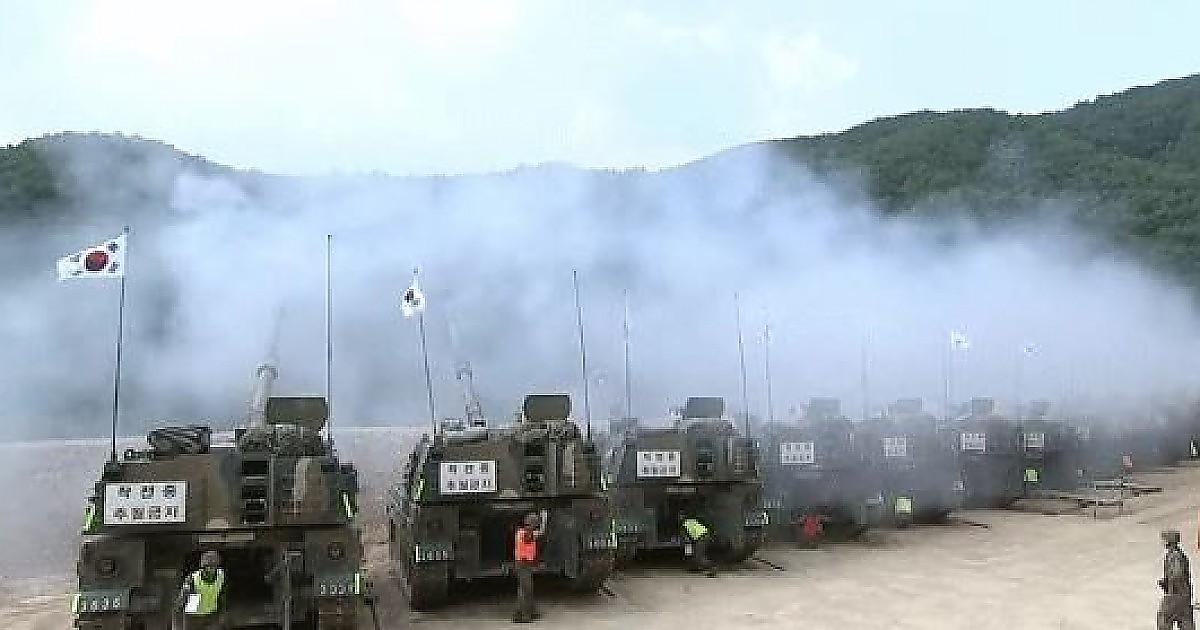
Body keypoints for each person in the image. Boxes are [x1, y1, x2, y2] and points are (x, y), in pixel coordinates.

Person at [176, 550, 228, 629]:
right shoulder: (193, 578)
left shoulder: (221, 576)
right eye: (208, 567)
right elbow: (181, 598)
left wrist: (222, 612)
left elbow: (222, 594)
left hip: (211, 614)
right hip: (193, 617)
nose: (210, 569)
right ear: (203, 567)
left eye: (213, 567)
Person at [513, 510, 546, 623]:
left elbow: (538, 533)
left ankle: (527, 612)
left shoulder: (521, 532)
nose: (535, 527)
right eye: (535, 524)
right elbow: (540, 533)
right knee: (526, 590)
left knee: (524, 589)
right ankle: (525, 615)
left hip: (524, 564)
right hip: (523, 565)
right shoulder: (526, 534)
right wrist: (544, 518)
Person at [1159, 529, 1195, 630]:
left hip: (1176, 594)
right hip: (1185, 595)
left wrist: (1169, 585)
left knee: (1164, 617)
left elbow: (1177, 574)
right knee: (1185, 619)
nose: (1162, 542)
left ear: (1168, 542)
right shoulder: (1180, 554)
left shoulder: (1174, 556)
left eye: (1164, 540)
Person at [679, 511, 717, 577]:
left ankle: (712, 567)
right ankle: (695, 567)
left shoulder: (684, 524)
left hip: (701, 538)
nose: (679, 518)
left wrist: (686, 544)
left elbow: (686, 537)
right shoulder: (692, 520)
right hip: (704, 536)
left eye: (680, 516)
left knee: (698, 556)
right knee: (696, 554)